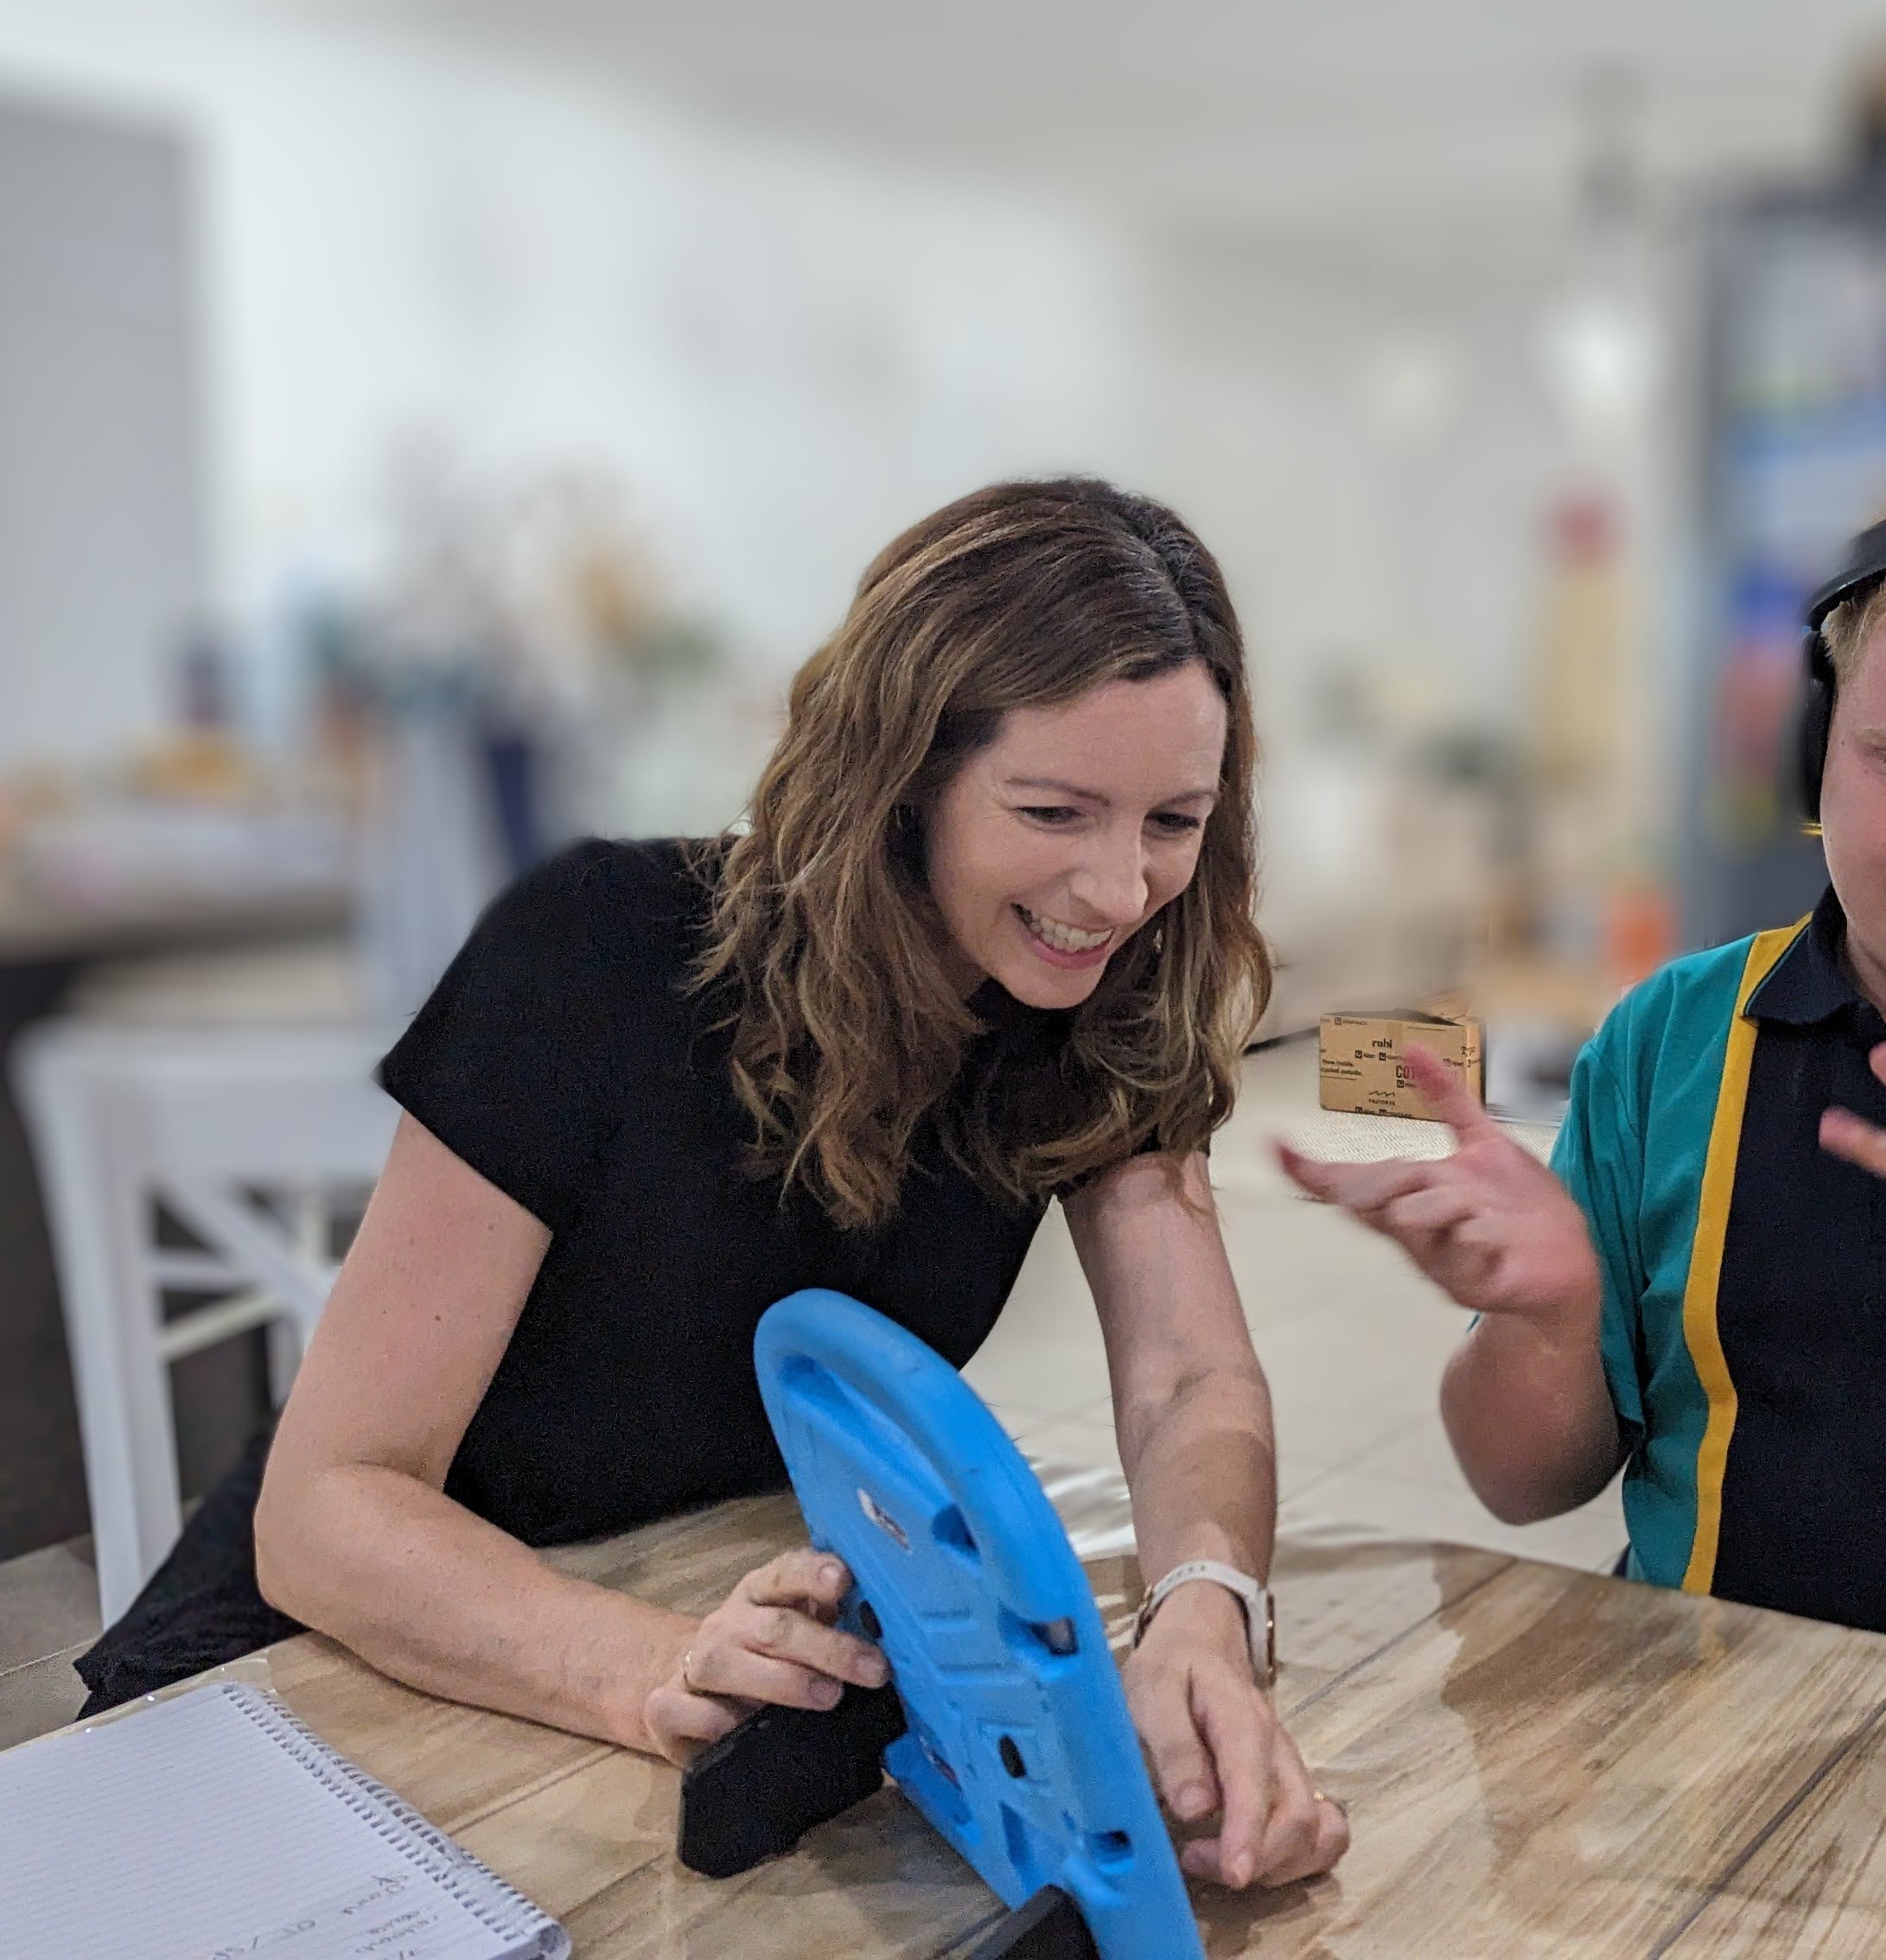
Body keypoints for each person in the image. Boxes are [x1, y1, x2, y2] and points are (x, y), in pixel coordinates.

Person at [79, 478, 1347, 1892]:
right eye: (1053, 811)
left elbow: (1187, 1380)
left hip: (705, 1655)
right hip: (339, 1672)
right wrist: (649, 1669)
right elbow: (326, 1511)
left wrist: (1200, 1613)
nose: (1118, 891)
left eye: (1173, 821)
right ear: (901, 780)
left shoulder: (1098, 1002)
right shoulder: (596, 953)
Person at [1282, 519, 1886, 1633]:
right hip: (1696, 1719)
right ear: (1817, 758)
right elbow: (1521, 1486)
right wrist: (1549, 1319)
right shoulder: (1674, 1039)